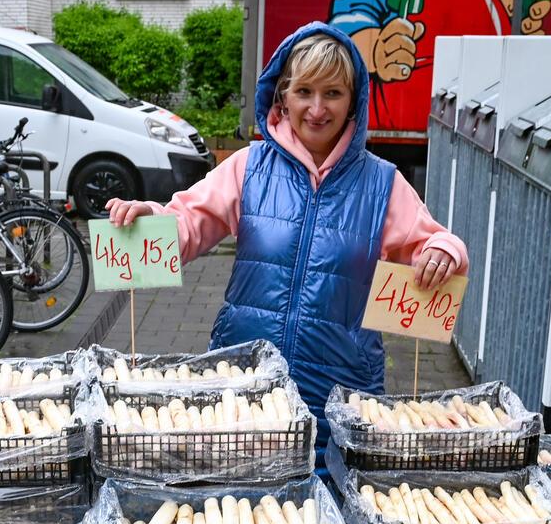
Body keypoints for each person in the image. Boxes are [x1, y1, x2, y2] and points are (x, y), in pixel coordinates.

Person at [106, 21, 468, 404]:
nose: (316, 108)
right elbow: (188, 223)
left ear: (353, 100)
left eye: (332, 93)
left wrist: (444, 251)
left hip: (342, 396)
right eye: (304, 91)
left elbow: (431, 242)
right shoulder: (249, 166)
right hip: (246, 387)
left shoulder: (382, 183)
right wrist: (147, 221)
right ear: (283, 97)